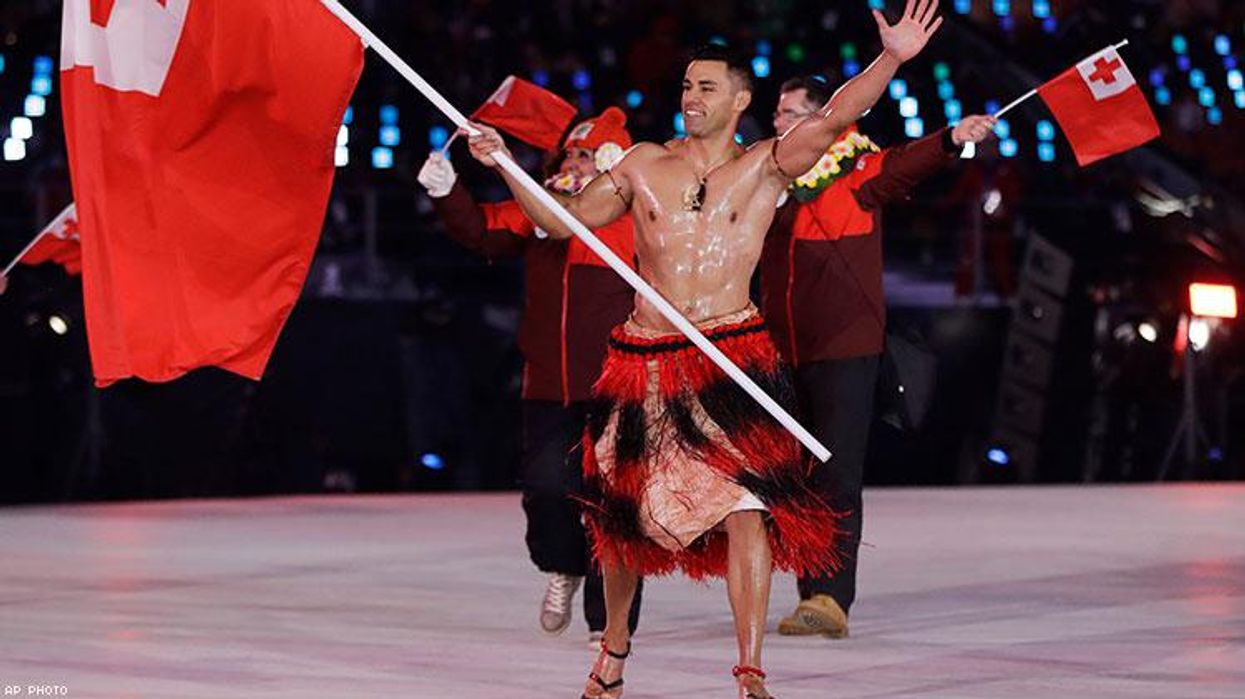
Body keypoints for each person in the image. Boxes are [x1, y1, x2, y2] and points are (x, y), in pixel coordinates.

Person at [466, 3, 945, 695]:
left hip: (729, 354)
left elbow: (835, 116)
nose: (690, 98)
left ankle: (749, 671)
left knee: (747, 506)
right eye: (686, 87)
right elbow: (558, 221)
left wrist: (892, 59)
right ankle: (613, 652)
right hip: (644, 357)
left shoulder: (765, 167)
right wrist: (505, 164)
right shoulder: (640, 165)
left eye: (706, 87)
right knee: (623, 517)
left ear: (740, 98)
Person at [761, 75, 996, 639]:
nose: (777, 122)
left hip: (844, 347)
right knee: (789, 477)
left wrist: (949, 138)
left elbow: (905, 164)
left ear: (826, 120)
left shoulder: (856, 172)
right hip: (778, 348)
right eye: (776, 113)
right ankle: (807, 589)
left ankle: (829, 597)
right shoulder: (766, 177)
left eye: (791, 112)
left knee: (835, 473)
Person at [417, 107, 643, 645]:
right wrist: (448, 192)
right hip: (548, 383)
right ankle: (561, 567)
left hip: (618, 385)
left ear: (613, 163)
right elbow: (485, 233)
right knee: (546, 489)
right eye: (570, 153)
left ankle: (607, 621)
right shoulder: (540, 208)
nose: (573, 162)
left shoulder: (631, 218)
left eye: (586, 154)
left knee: (613, 505)